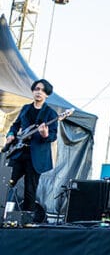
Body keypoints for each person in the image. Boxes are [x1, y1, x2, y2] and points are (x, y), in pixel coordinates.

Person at [4, 79, 59, 211]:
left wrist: (45, 135)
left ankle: (27, 218)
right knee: (5, 183)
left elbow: (53, 136)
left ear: (47, 95)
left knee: (30, 190)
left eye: (43, 90)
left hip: (35, 157)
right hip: (19, 153)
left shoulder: (51, 113)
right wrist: (11, 134)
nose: (39, 92)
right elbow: (15, 125)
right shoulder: (25, 108)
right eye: (37, 89)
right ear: (33, 91)